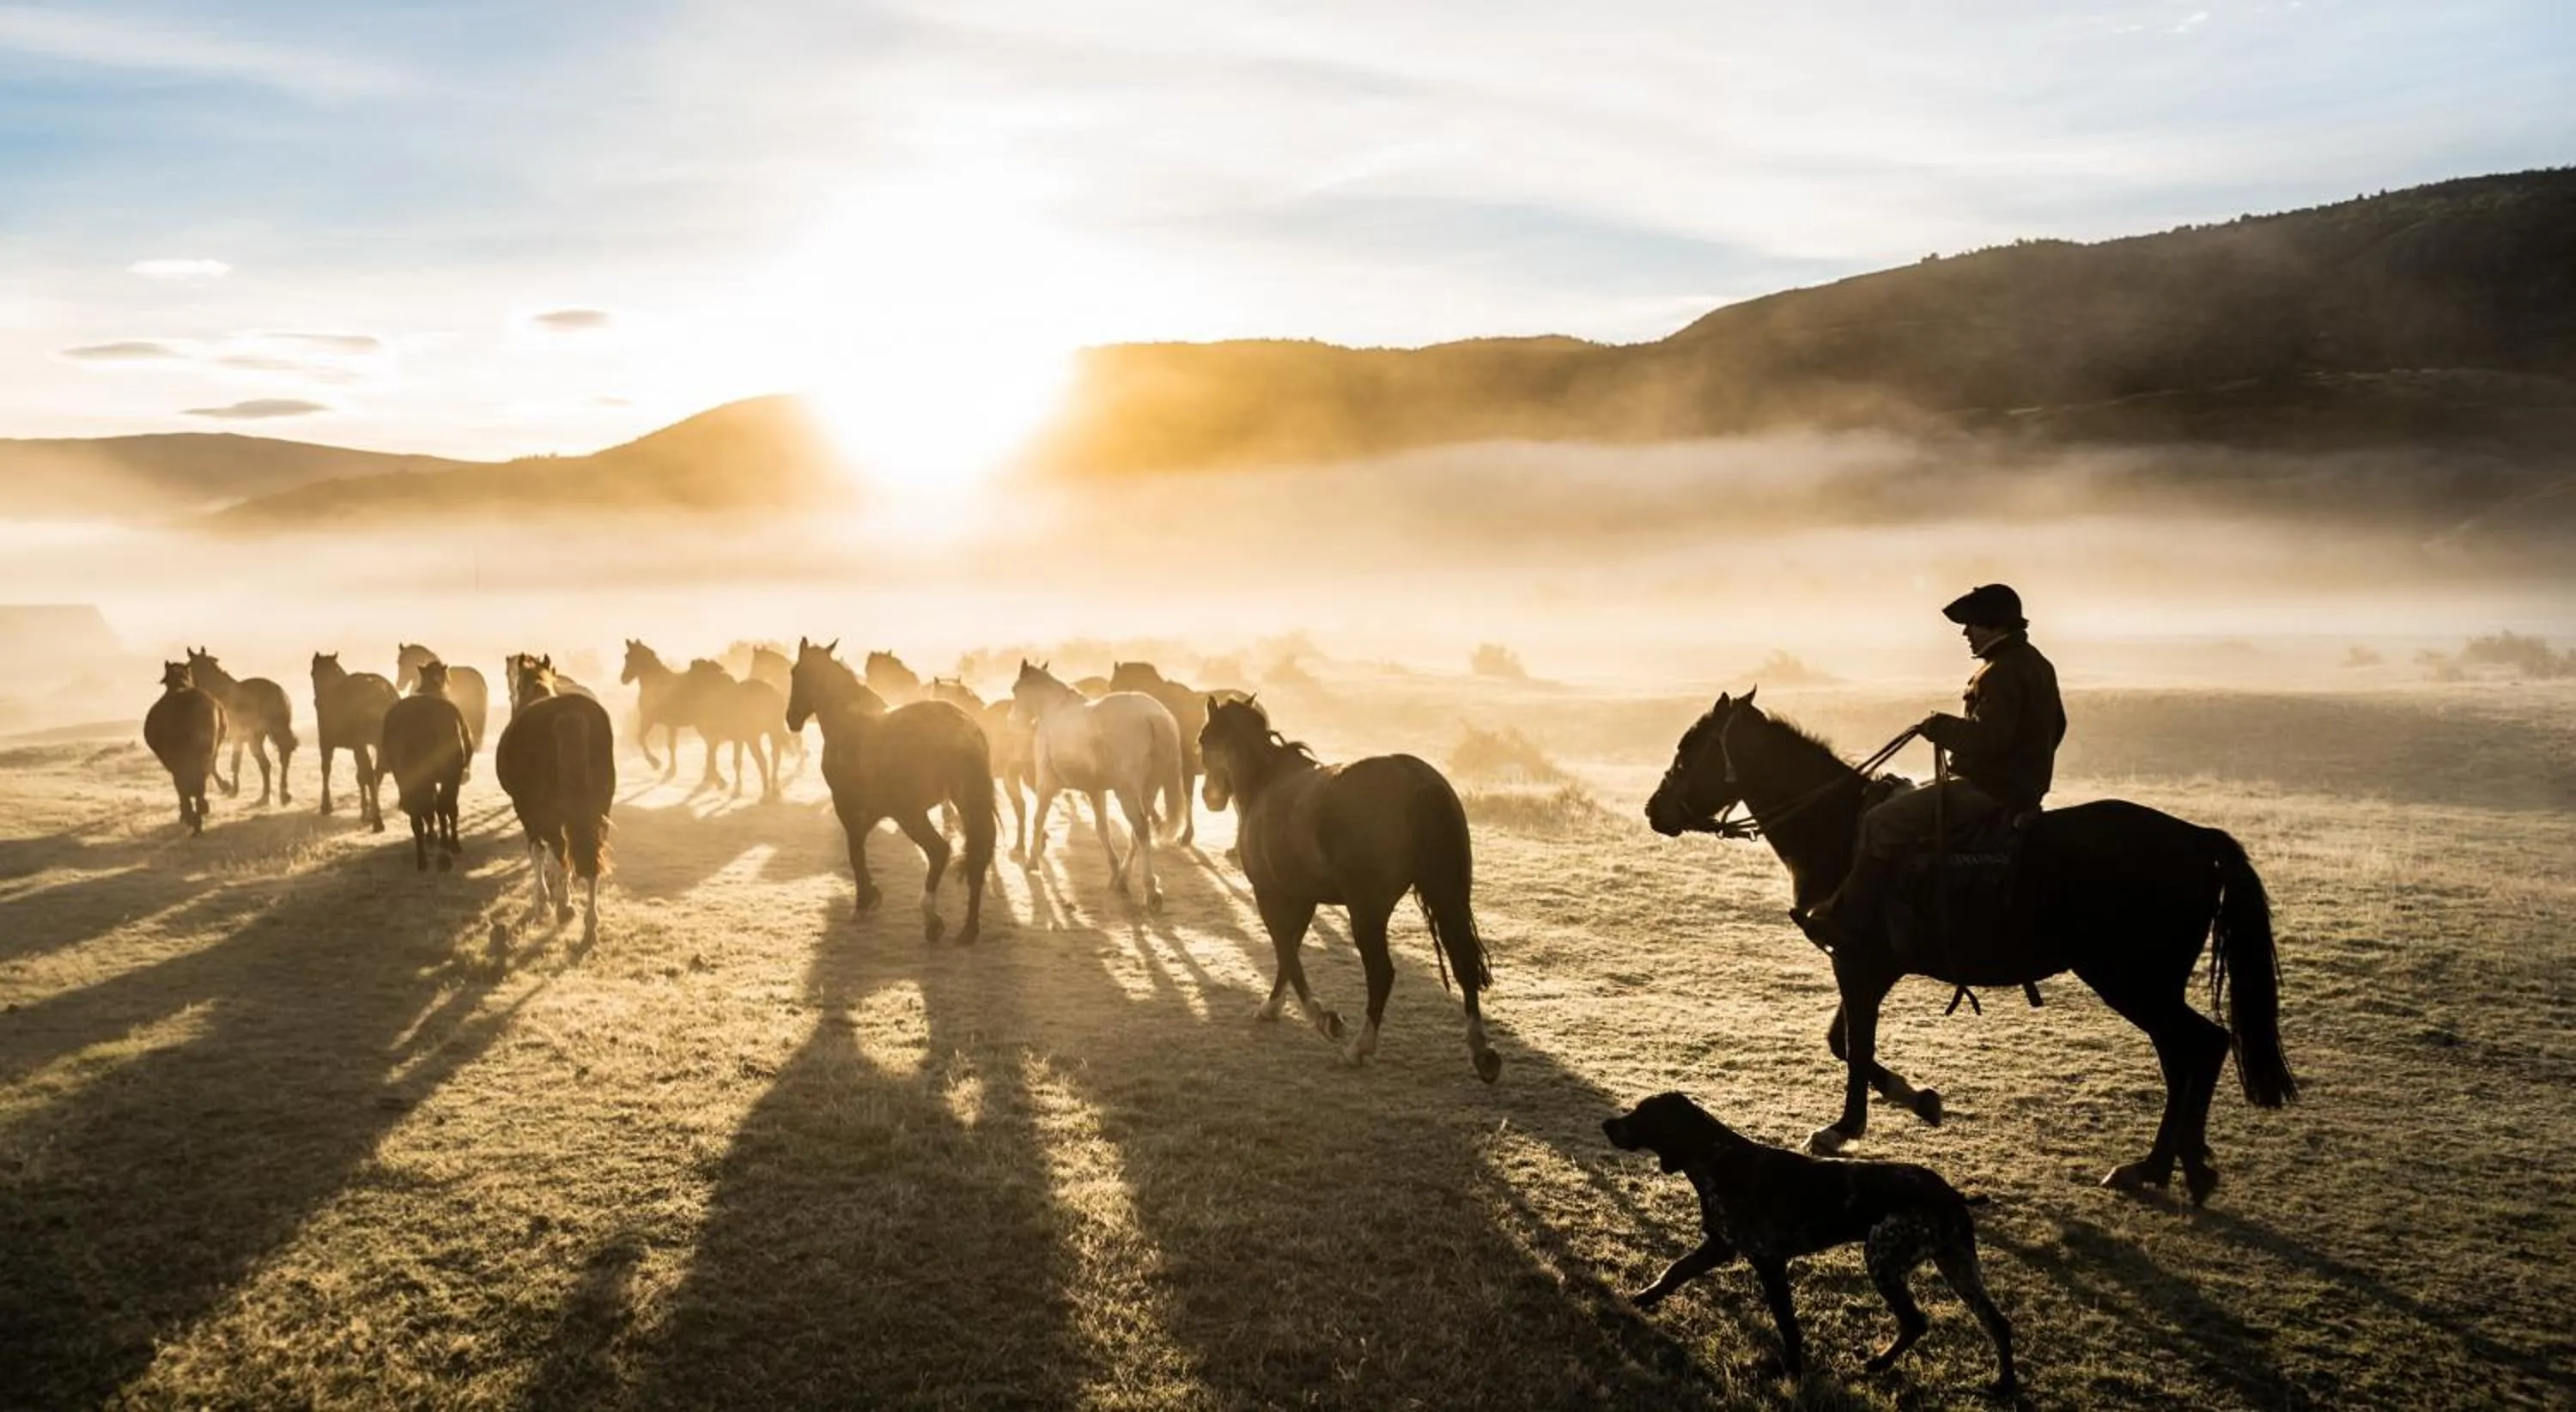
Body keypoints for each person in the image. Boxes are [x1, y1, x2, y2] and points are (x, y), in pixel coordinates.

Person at [1795, 583, 2066, 953]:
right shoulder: (2036, 664)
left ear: (1993, 624)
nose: (1965, 633)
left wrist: (1941, 727)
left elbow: (1990, 737)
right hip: (2019, 786)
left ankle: (1846, 921)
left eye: (1971, 624)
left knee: (1880, 821)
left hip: (1989, 789)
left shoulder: (2000, 671)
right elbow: (2057, 727)